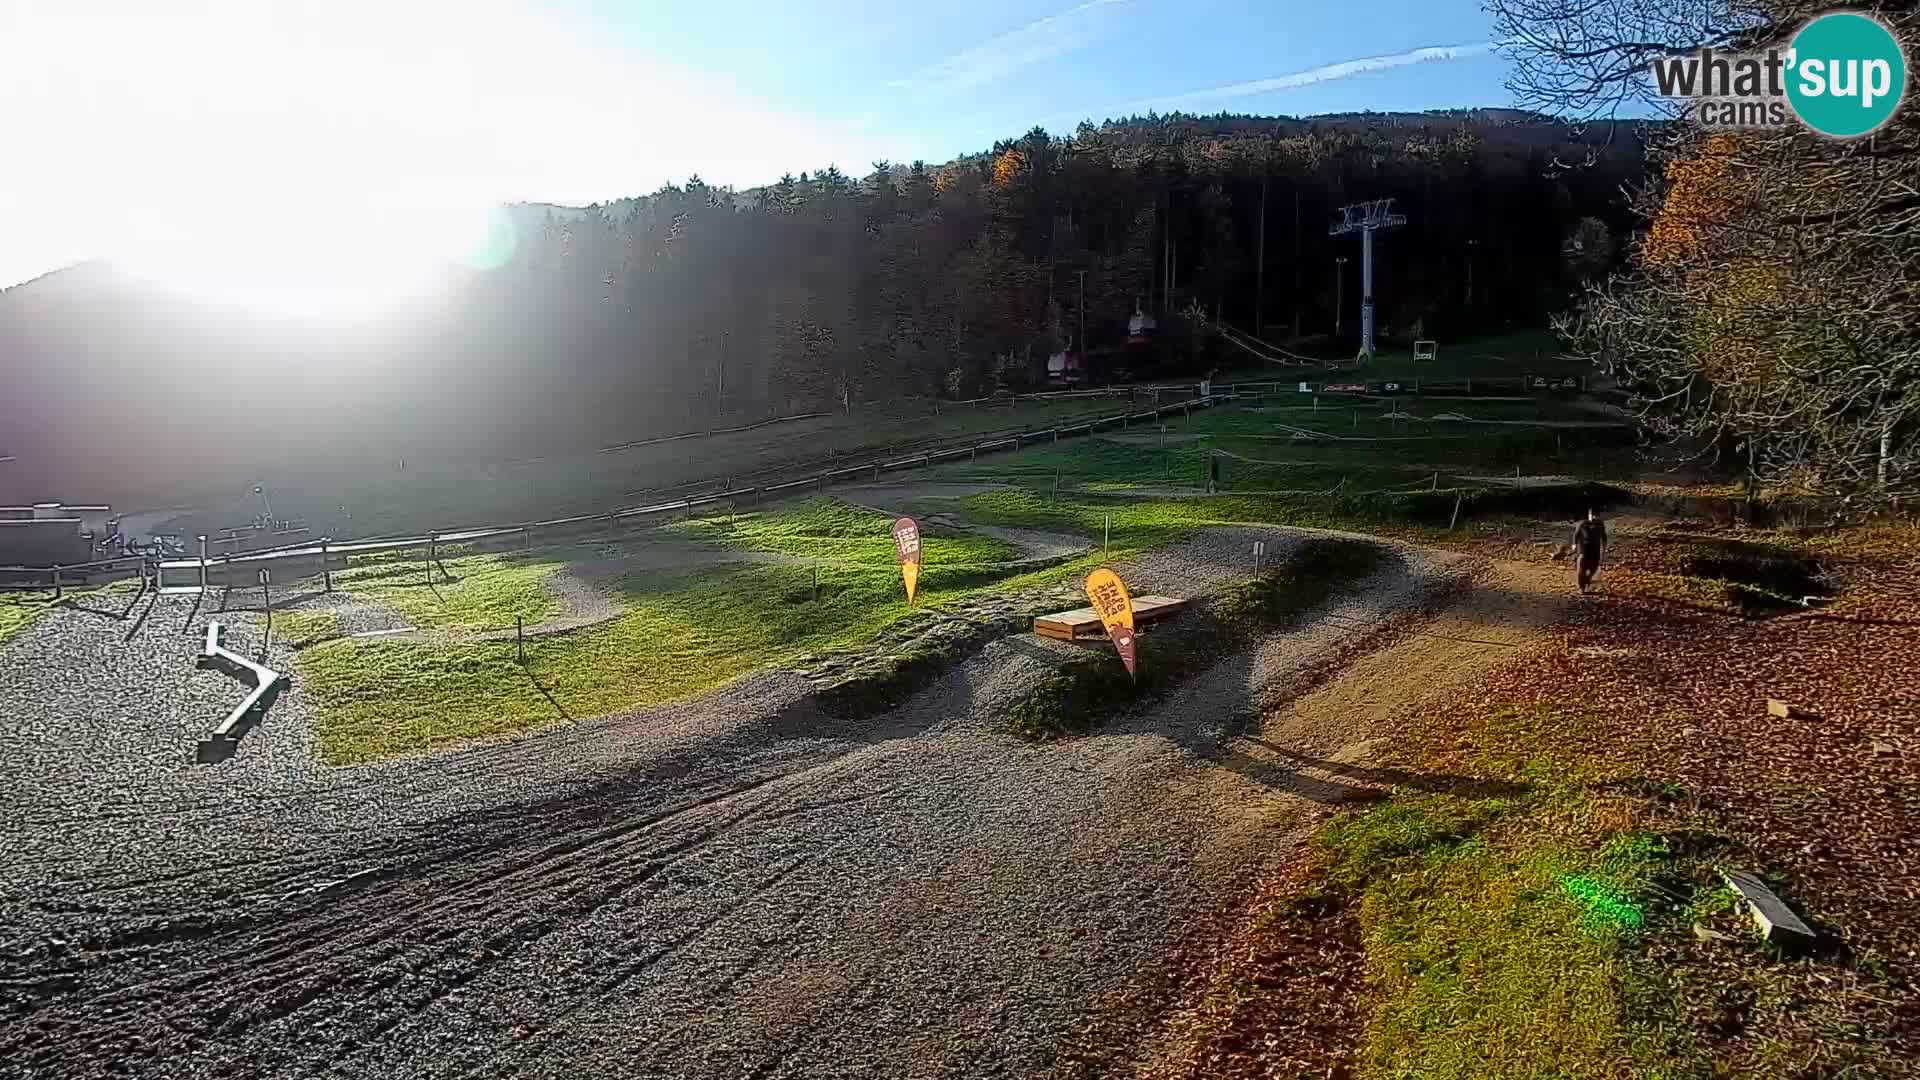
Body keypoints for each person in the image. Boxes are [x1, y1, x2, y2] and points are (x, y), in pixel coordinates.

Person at [1571, 508, 1608, 593]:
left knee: (1594, 565)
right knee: (1581, 566)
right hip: (1584, 548)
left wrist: (1604, 546)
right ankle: (1581, 587)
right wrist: (1574, 545)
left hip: (1595, 547)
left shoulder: (1600, 524)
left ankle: (1588, 578)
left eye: (1596, 515)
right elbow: (1576, 534)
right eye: (1592, 515)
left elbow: (1604, 536)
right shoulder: (1582, 524)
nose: (1594, 517)